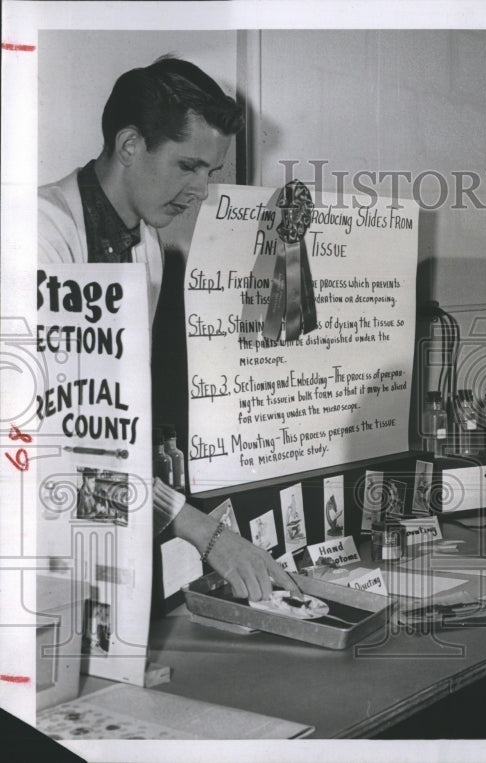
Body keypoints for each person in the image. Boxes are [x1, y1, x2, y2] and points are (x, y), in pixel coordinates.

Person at [38, 56, 299, 602]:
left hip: (96, 512)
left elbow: (112, 426)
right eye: (188, 166)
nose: (202, 190)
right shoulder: (41, 234)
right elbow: (51, 439)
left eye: (210, 172)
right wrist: (204, 532)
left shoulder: (147, 248)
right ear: (131, 146)